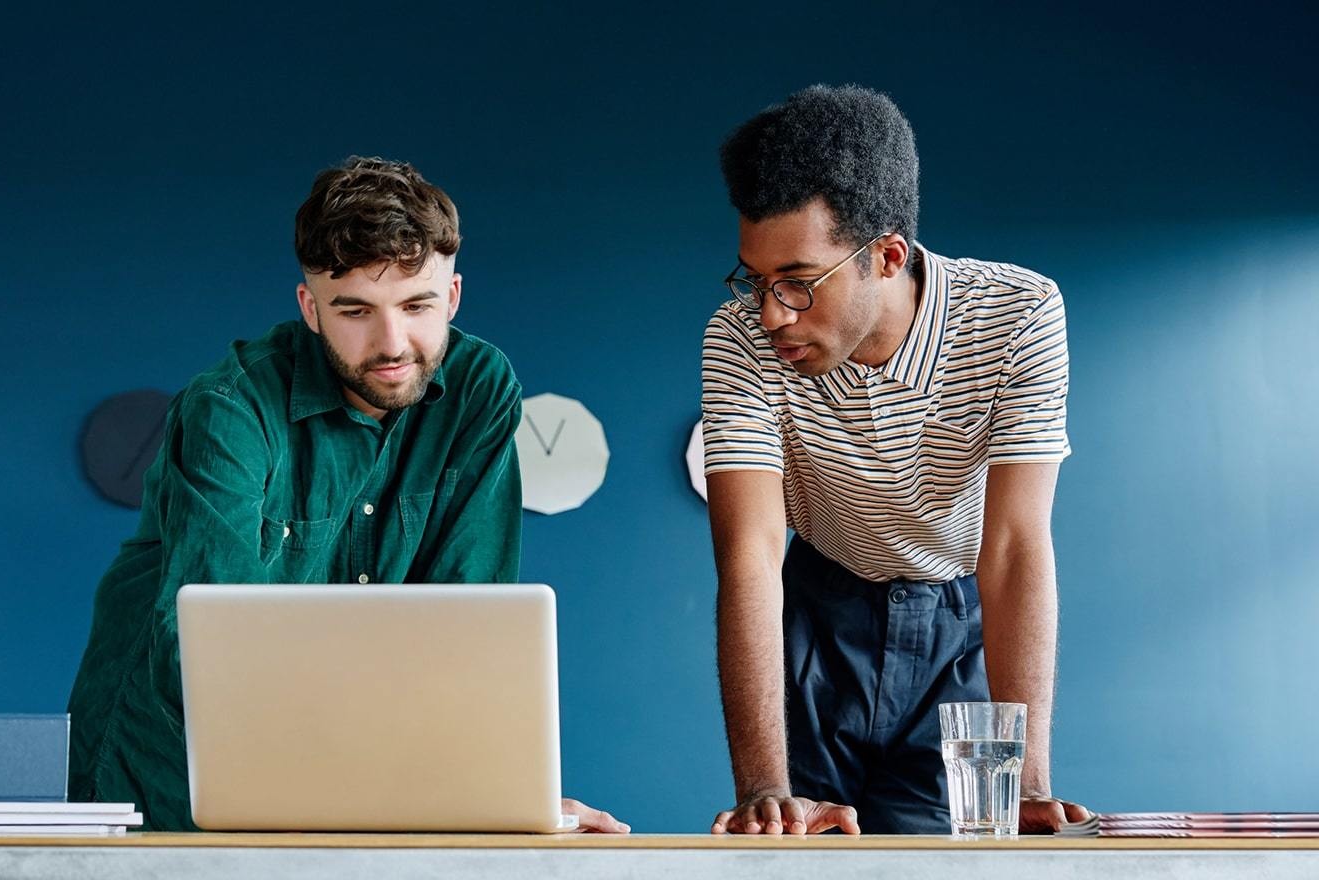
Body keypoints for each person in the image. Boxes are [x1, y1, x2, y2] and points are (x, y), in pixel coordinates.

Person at [67, 156, 627, 834]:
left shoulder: (480, 388)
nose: (392, 344)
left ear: (451, 297)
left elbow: (464, 617)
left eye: (417, 306)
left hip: (350, 755)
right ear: (311, 308)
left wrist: (500, 795)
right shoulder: (229, 408)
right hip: (167, 752)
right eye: (355, 311)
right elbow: (217, 653)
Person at [702, 85, 1089, 835]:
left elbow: (1011, 546)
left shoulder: (1020, 313)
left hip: (958, 617)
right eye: (755, 280)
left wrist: (1029, 783)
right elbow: (748, 555)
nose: (771, 314)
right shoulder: (738, 337)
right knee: (795, 849)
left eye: (798, 284)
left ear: (886, 255)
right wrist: (762, 789)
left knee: (951, 852)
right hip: (820, 610)